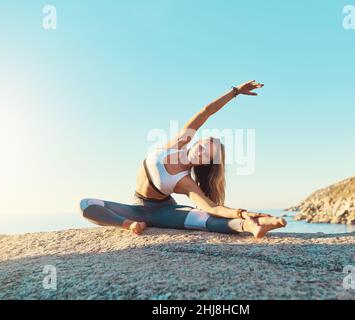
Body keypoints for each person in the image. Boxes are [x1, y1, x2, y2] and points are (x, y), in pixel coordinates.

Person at [80, 80, 287, 238]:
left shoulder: (185, 182)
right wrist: (235, 92)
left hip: (163, 212)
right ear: (196, 142)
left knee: (203, 218)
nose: (202, 151)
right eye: (203, 145)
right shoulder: (179, 142)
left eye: (208, 154)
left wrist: (243, 214)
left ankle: (253, 226)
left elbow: (212, 207)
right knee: (86, 203)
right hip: (137, 208)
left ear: (206, 163)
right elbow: (205, 112)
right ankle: (128, 224)